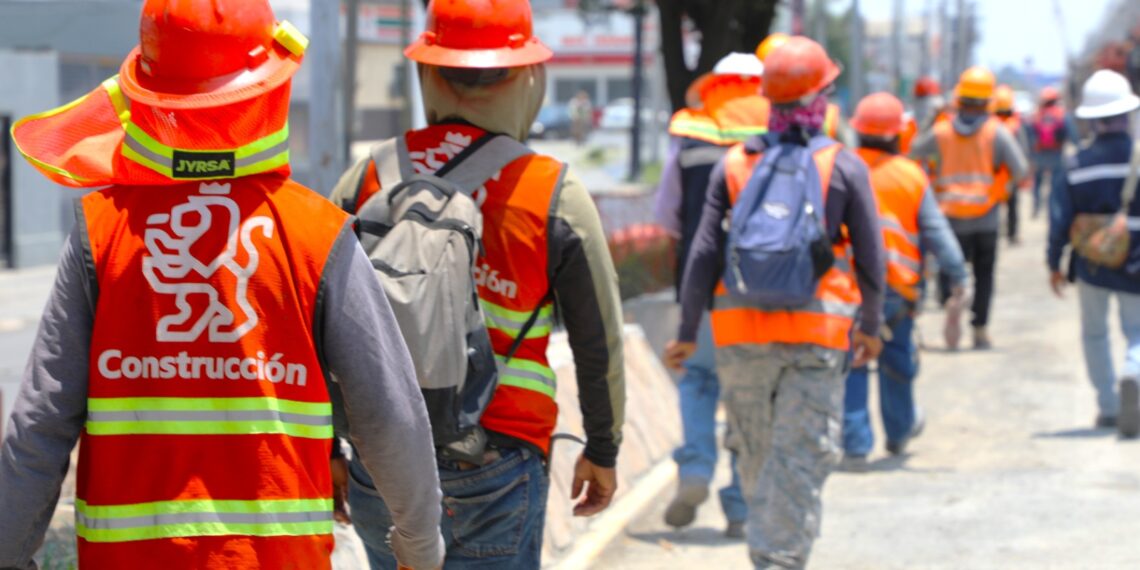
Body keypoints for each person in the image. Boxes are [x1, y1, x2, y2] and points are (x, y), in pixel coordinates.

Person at [0, 1, 445, 569]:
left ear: (148, 96)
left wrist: (11, 553)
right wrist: (420, 550)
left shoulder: (101, 231)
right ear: (267, 90)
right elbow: (389, 413)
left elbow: (40, 421)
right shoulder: (316, 234)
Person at [329, 1, 626, 568]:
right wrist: (603, 449)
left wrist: (325, 451)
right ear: (527, 78)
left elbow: (313, 324)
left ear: (427, 72)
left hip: (380, 460)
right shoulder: (553, 194)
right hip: (498, 461)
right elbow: (599, 342)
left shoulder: (365, 178)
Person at [664, 37, 886, 569]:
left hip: (741, 340)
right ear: (822, 96)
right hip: (818, 339)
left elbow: (701, 251)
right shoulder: (842, 164)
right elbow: (872, 258)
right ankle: (778, 558)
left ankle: (772, 550)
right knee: (801, 459)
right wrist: (871, 326)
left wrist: (689, 331)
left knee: (760, 458)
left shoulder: (735, 165)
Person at [653, 51, 769, 538]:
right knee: (751, 394)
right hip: (765, 292)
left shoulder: (692, 136)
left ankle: (696, 469)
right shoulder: (781, 134)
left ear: (715, 86)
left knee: (698, 380)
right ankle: (741, 505)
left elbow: (666, 216)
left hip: (701, 289)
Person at [841, 93, 968, 469]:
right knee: (896, 361)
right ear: (900, 133)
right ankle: (898, 434)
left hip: (847, 288)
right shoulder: (911, 175)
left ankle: (855, 444)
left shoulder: (841, 168)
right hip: (897, 290)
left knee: (853, 363)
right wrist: (958, 274)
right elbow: (937, 232)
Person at [1047, 69, 1140, 437]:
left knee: (1095, 334)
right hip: (1136, 260)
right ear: (1127, 114)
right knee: (1136, 330)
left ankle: (1109, 407)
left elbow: (1059, 219)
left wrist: (1054, 262)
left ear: (1091, 120)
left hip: (1091, 263)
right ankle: (1133, 371)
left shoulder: (1074, 163)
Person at [910, 66, 1029, 350]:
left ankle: (951, 301)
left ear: (959, 98)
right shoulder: (996, 132)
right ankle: (980, 330)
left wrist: (931, 117)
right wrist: (999, 190)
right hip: (986, 216)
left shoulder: (941, 131)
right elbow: (1021, 170)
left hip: (950, 215)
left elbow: (914, 149)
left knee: (950, 269)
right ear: (988, 101)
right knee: (984, 274)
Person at [993, 85, 1032, 245]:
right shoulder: (1015, 125)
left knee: (993, 205)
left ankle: (994, 231)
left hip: (994, 173)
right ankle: (1012, 233)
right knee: (1012, 204)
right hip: (1010, 172)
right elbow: (1023, 148)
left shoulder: (990, 125)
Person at [1030, 86, 1072, 217]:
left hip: (1040, 153)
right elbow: (1070, 132)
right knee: (1055, 184)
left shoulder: (1037, 114)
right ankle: (1053, 208)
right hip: (1056, 153)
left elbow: (1031, 135)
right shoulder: (1060, 113)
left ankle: (1036, 206)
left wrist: (1031, 154)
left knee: (1037, 183)